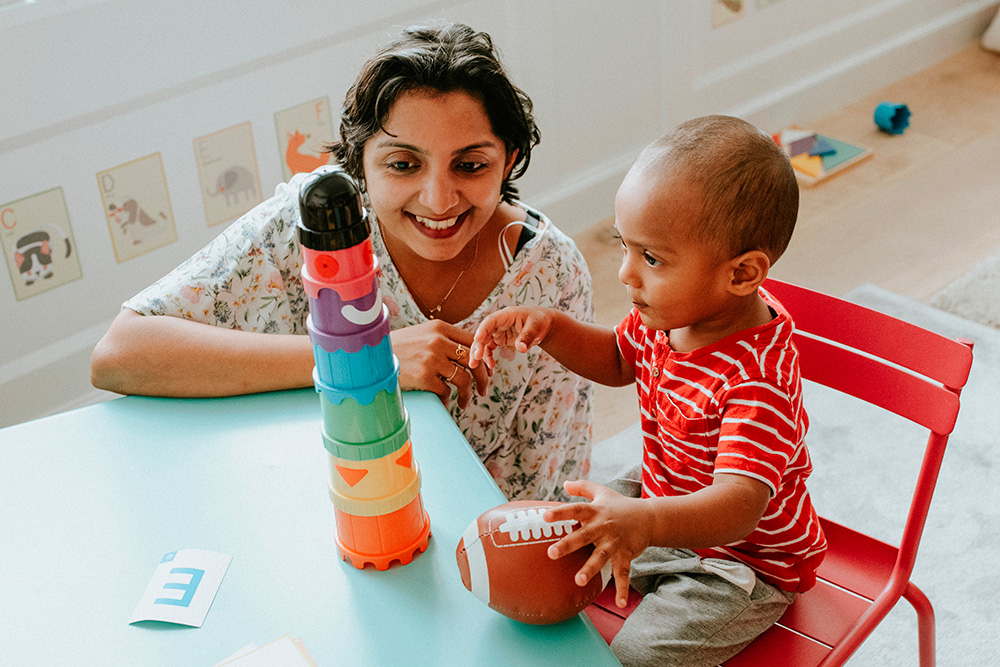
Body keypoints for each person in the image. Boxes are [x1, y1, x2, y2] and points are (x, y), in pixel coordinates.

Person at [90, 22, 594, 502]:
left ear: (507, 159)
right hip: (322, 504)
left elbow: (547, 484)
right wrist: (370, 359)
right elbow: (119, 353)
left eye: (470, 165)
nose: (439, 200)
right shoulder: (314, 222)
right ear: (359, 162)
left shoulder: (551, 274)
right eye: (402, 164)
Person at [470, 115, 827, 667]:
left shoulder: (757, 380)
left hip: (739, 565)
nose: (626, 274)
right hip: (662, 496)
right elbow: (617, 359)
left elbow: (737, 509)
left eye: (652, 258)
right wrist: (551, 327)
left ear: (742, 274)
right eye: (625, 247)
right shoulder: (670, 314)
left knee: (634, 656)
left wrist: (645, 523)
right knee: (546, 533)